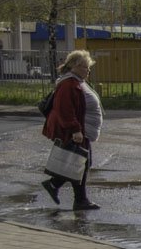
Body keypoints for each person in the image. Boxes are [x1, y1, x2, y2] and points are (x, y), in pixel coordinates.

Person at [40, 49, 102, 211]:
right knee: (81, 162)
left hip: (82, 129)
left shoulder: (76, 81)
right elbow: (65, 109)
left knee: (79, 162)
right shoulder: (68, 84)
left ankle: (57, 186)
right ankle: (78, 199)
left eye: (89, 67)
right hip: (74, 130)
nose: (88, 70)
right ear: (74, 66)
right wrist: (75, 130)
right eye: (85, 67)